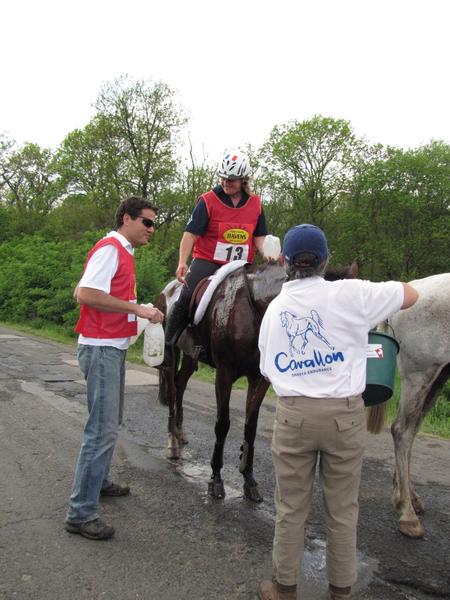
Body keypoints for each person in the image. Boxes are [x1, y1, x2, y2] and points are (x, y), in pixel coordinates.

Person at [257, 224, 419, 600]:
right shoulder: (352, 293)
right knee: (343, 510)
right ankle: (341, 591)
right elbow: (409, 294)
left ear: (284, 263)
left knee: (290, 507)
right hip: (344, 417)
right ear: (327, 260)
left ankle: (283, 588)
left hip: (293, 416)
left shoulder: (276, 307)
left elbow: (267, 368)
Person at [65, 196, 165, 541]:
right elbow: (85, 294)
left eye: (154, 223)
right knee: (101, 430)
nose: (152, 229)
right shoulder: (111, 248)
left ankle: (100, 482)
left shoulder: (123, 252)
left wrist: (138, 311)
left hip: (111, 348)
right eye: (147, 222)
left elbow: (86, 290)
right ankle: (80, 513)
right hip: (101, 349)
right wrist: (137, 310)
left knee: (108, 423)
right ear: (127, 218)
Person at [161, 149, 268, 365]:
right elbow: (190, 234)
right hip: (208, 260)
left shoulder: (256, 204)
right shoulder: (208, 200)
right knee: (186, 296)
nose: (227, 182)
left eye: (233, 180)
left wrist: (270, 256)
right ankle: (168, 347)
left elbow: (260, 237)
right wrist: (183, 261)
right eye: (224, 178)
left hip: (242, 264)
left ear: (243, 179)